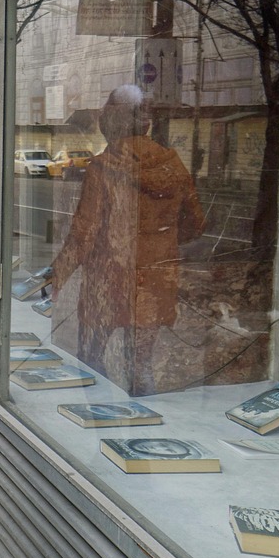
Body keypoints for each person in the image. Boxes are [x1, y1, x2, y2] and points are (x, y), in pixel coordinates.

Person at [50, 84, 204, 396]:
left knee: (91, 359)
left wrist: (56, 277)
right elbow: (195, 224)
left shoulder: (104, 168)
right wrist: (161, 241)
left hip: (110, 279)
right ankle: (144, 428)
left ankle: (97, 426)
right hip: (157, 277)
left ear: (112, 122)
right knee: (141, 366)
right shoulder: (172, 165)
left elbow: (84, 234)